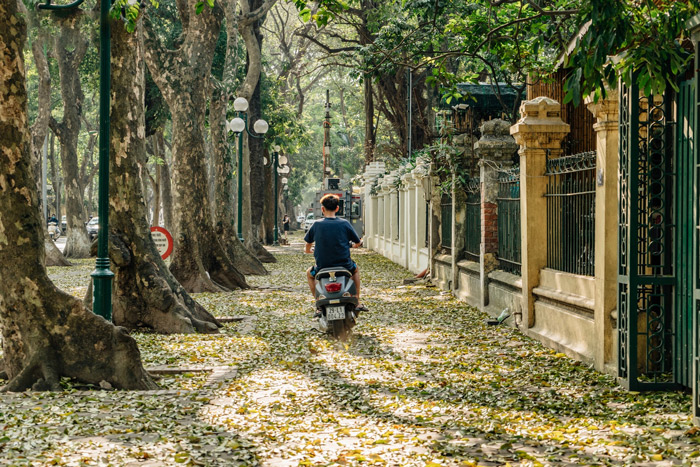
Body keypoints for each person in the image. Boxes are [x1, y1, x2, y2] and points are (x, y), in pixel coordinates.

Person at [304, 194, 367, 313]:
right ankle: (357, 300)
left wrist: (309, 250)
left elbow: (308, 244)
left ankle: (318, 303)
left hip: (322, 267)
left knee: (309, 273)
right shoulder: (344, 223)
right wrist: (353, 246)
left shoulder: (316, 224)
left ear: (322, 209)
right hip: (345, 266)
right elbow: (358, 242)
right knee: (356, 269)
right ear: (337, 209)